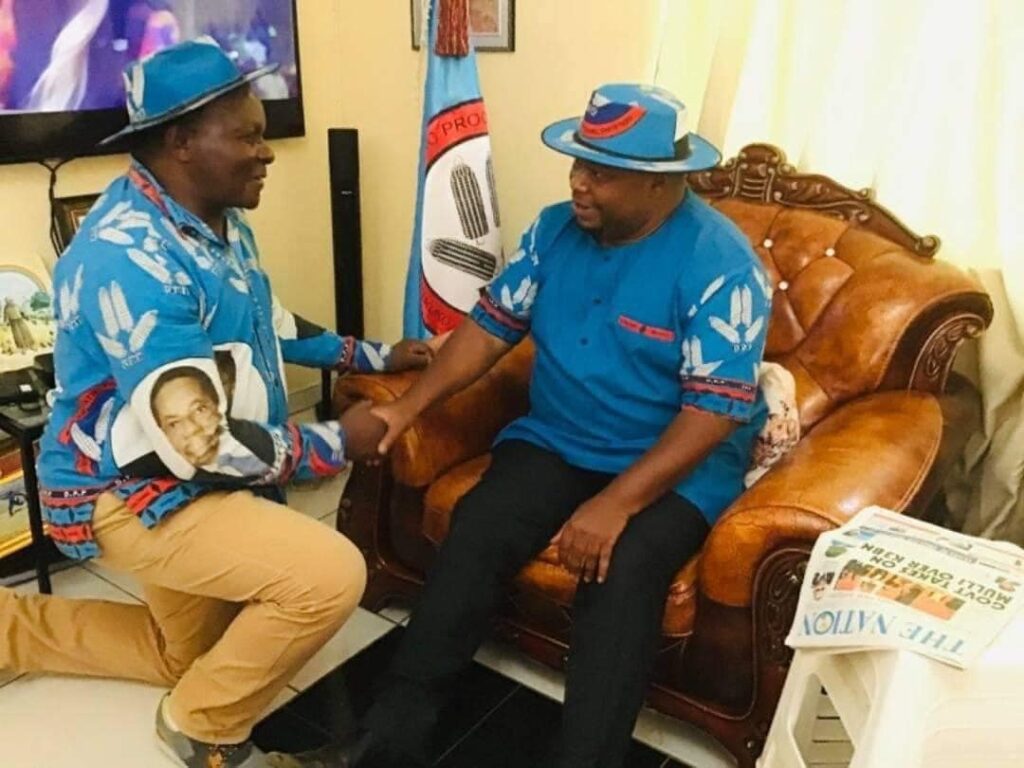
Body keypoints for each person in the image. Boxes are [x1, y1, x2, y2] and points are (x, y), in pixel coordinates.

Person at [290, 84, 773, 768]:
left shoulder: (720, 264)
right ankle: (387, 742)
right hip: (563, 435)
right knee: (479, 526)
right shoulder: (552, 231)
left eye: (601, 173)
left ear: (660, 183)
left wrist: (616, 504)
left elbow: (713, 412)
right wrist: (406, 407)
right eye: (578, 164)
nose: (578, 183)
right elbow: (488, 331)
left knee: (621, 571)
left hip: (674, 458)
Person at [0, 38, 426, 768]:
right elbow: (197, 442)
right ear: (181, 142)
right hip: (127, 489)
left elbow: (269, 322)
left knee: (187, 656)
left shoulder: (216, 220)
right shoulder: (128, 256)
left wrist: (374, 356)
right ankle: (201, 727)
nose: (267, 153)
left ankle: (9, 631)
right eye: (248, 136)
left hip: (182, 471)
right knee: (329, 576)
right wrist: (336, 441)